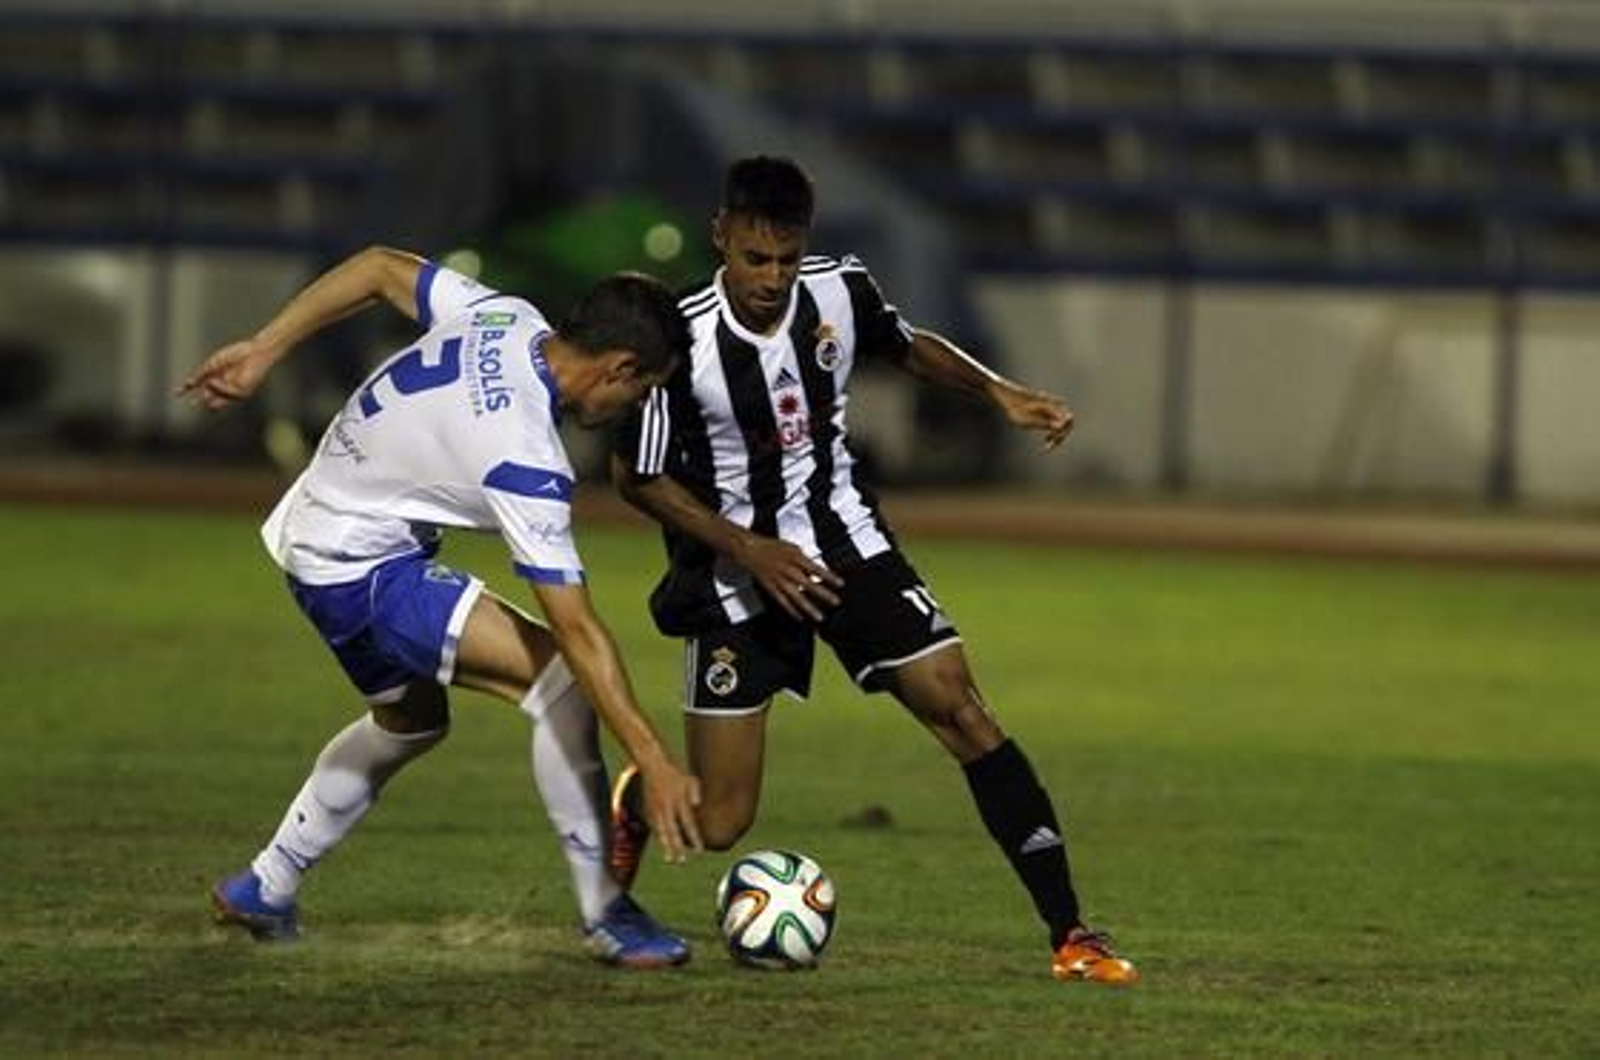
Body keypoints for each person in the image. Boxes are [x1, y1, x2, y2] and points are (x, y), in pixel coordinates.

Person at [608, 156, 1138, 984]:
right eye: (755, 258)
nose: (772, 278)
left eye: (786, 259)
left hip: (849, 544)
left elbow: (906, 346)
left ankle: (1072, 934)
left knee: (961, 707)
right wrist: (749, 548)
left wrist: (999, 392)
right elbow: (635, 477)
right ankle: (637, 802)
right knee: (719, 821)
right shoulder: (681, 336)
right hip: (736, 578)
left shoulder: (839, 291)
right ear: (722, 237)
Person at [179, 245, 704, 967]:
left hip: (317, 531)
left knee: (410, 721)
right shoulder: (525, 454)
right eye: (641, 390)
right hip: (359, 566)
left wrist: (265, 349)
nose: (634, 406)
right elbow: (576, 628)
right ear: (617, 368)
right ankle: (606, 911)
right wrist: (655, 759)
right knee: (558, 683)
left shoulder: (505, 317)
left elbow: (377, 268)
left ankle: (264, 886)